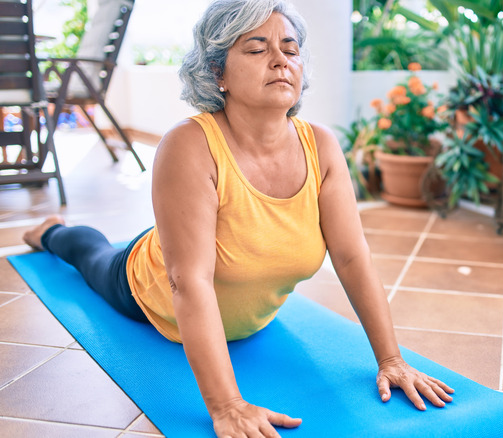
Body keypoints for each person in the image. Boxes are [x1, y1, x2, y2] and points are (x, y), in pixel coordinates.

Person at [22, 0, 453, 436]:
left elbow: (352, 256)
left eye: (289, 48)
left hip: (227, 290)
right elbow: (189, 281)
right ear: (217, 73)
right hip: (147, 289)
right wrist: (227, 406)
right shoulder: (189, 145)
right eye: (256, 48)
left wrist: (391, 360)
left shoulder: (321, 146)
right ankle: (53, 232)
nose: (280, 59)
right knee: (89, 253)